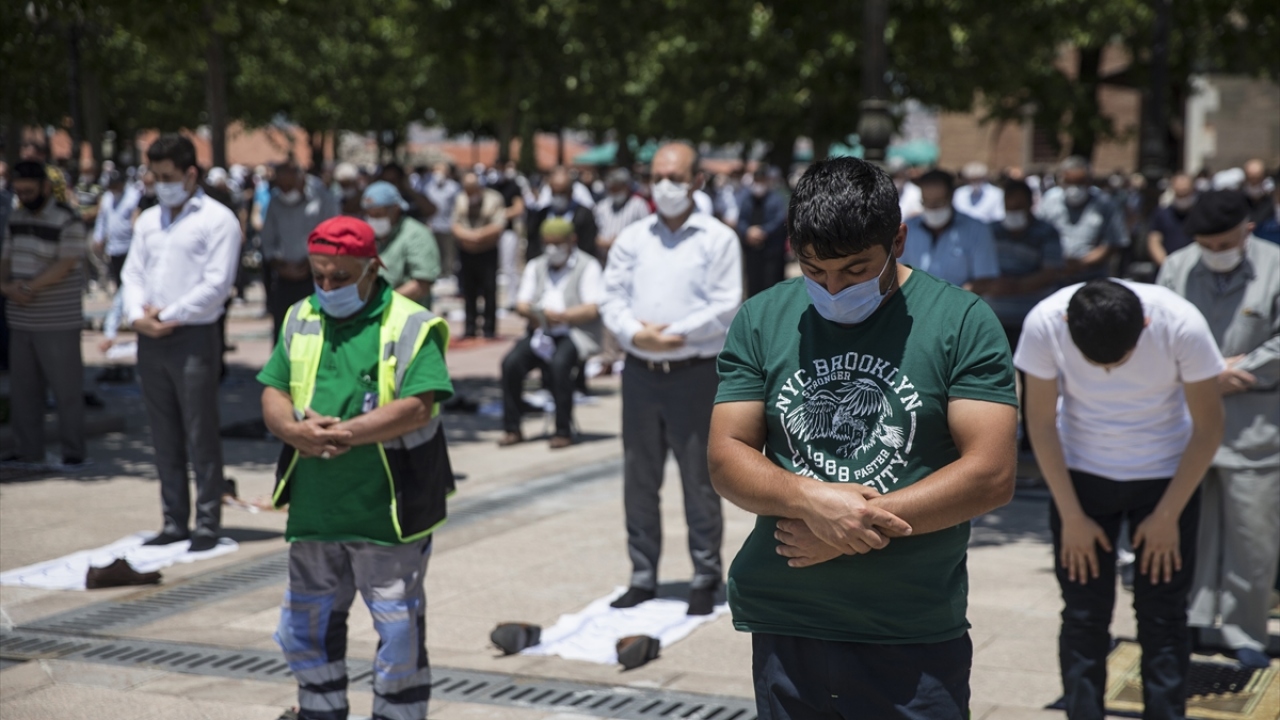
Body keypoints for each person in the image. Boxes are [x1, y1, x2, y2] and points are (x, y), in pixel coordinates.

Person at [708, 156, 1018, 720]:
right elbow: (727, 457)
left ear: (897, 239)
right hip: (789, 619)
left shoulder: (962, 321)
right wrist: (811, 501)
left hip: (910, 629)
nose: (832, 288)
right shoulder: (761, 318)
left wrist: (850, 527)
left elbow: (990, 475)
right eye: (814, 270)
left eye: (854, 270)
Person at [260, 216, 453, 720]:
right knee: (307, 625)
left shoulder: (410, 323)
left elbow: (419, 405)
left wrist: (343, 433)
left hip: (389, 511)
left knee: (397, 633)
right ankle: (320, 712)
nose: (326, 287)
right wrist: (293, 431)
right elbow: (273, 389)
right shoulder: (300, 315)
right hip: (316, 508)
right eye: (318, 276)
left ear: (373, 268)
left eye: (339, 278)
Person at [1016, 279, 1225, 720]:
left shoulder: (1181, 323)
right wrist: (1071, 515)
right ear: (1069, 325)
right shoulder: (1044, 323)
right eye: (1094, 362)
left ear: (1145, 325)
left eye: (1120, 359)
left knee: (1164, 614)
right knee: (1083, 612)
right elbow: (1040, 424)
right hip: (1080, 476)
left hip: (1167, 477)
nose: (1107, 371)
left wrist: (1167, 515)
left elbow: (1209, 428)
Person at [600, 142, 743, 615]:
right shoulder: (633, 238)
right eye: (658, 176)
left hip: (694, 371)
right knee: (639, 478)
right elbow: (611, 296)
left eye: (675, 177)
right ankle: (643, 573)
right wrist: (636, 334)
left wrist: (673, 336)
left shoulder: (717, 238)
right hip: (641, 372)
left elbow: (725, 304)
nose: (665, 186)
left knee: (698, 477)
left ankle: (705, 574)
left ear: (697, 181)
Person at [1157, 191, 1280, 670]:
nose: (1214, 252)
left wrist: (1244, 366)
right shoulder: (1177, 267)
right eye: (1205, 244)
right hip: (1186, 422)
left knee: (1254, 537)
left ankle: (1246, 632)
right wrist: (1205, 375)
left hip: (1255, 427)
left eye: (1223, 243)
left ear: (1247, 231)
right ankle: (1188, 620)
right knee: (1187, 532)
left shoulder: (1274, 266)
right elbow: (1157, 331)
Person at [121, 134, 241, 551]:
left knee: (199, 432)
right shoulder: (150, 220)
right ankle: (174, 520)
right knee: (163, 433)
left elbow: (217, 284)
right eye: (154, 175)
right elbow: (133, 273)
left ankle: (207, 522)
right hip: (151, 338)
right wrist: (138, 316)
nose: (159, 183)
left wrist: (167, 315)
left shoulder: (218, 219)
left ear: (191, 174)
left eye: (167, 175)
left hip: (192, 336)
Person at [0, 160, 88, 465]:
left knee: (67, 392)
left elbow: (66, 263)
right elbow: (6, 256)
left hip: (57, 320)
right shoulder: (16, 216)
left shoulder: (68, 220)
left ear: (46, 188)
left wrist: (28, 288)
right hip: (21, 320)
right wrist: (5, 285)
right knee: (24, 393)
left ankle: (73, 453)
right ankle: (28, 451)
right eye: (19, 190)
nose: (24, 195)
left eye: (30, 190)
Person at [499, 218, 604, 449]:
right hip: (542, 331)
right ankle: (512, 427)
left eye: (558, 243)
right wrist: (540, 314)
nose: (552, 249)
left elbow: (592, 308)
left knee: (560, 365)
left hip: (573, 333)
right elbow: (522, 303)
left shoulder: (588, 266)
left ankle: (563, 429)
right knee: (511, 364)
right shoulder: (536, 266)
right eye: (548, 243)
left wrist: (563, 316)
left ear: (571, 241)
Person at [260, 161, 339, 344]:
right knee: (284, 330)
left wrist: (311, 263)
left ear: (301, 180)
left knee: (317, 330)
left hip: (317, 278)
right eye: (282, 186)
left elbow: (332, 235)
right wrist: (278, 265)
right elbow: (267, 241)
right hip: (284, 278)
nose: (286, 190)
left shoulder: (323, 200)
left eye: (289, 185)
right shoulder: (275, 202)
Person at [982, 179, 1065, 348]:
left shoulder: (1047, 232)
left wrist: (1014, 286)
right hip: (993, 318)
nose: (1013, 212)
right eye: (1009, 207)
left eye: (1018, 207)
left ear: (1030, 204)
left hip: (1031, 318)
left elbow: (1051, 272)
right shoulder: (989, 231)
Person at [901, 169, 1000, 289]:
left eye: (938, 203)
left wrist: (949, 303)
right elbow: (900, 272)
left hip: (960, 304)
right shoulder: (908, 228)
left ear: (951, 197)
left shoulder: (977, 230)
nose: (932, 209)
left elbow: (984, 279)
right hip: (915, 303)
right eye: (926, 203)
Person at [1036, 157, 1128, 282]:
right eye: (1069, 182)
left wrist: (1081, 263)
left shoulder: (1105, 203)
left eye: (1079, 183)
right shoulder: (1050, 200)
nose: (1074, 189)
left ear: (1089, 181)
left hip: (1092, 277)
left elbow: (1112, 243)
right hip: (1054, 276)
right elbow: (1038, 234)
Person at [361, 181, 440, 308]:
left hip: (407, 315)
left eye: (378, 214)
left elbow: (422, 285)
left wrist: (381, 303)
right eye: (370, 215)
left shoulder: (416, 235)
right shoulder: (372, 236)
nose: (374, 220)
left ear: (395, 209)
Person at [451, 172, 506, 338]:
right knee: (468, 291)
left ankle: (489, 328)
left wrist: (479, 235)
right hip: (467, 251)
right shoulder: (460, 199)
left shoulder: (494, 199)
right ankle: (470, 326)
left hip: (487, 250)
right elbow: (455, 224)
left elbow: (499, 225)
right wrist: (468, 236)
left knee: (489, 290)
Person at [735, 166, 789, 298]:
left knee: (771, 284)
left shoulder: (776, 199)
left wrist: (763, 232)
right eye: (757, 181)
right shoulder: (747, 199)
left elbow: (779, 220)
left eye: (762, 181)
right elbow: (741, 220)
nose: (759, 185)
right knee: (754, 285)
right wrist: (748, 232)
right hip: (752, 251)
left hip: (771, 252)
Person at [527, 167, 599, 260]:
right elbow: (533, 244)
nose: (558, 196)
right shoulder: (541, 215)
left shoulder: (584, 215)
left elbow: (588, 246)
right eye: (554, 192)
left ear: (571, 192)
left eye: (562, 193)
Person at [592, 167, 651, 264]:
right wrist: (603, 242)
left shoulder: (638, 205)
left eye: (617, 188)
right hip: (604, 260)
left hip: (630, 260)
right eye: (612, 189)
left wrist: (620, 241)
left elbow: (647, 233)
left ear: (626, 187)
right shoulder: (601, 207)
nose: (614, 192)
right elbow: (593, 234)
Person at [1146, 173, 1197, 267]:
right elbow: (1154, 241)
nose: (1182, 198)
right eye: (1179, 193)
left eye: (1185, 193)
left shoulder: (1201, 214)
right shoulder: (1161, 213)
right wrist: (1167, 266)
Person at [422, 162, 460, 277]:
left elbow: (458, 206)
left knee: (449, 251)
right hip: (432, 225)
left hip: (448, 225)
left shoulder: (454, 187)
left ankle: (448, 273)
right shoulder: (428, 186)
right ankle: (437, 273)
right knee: (434, 251)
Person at [1242, 159, 1276, 225]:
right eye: (1251, 178)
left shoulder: (1271, 195)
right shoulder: (1240, 194)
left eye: (1257, 179)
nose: (1254, 182)